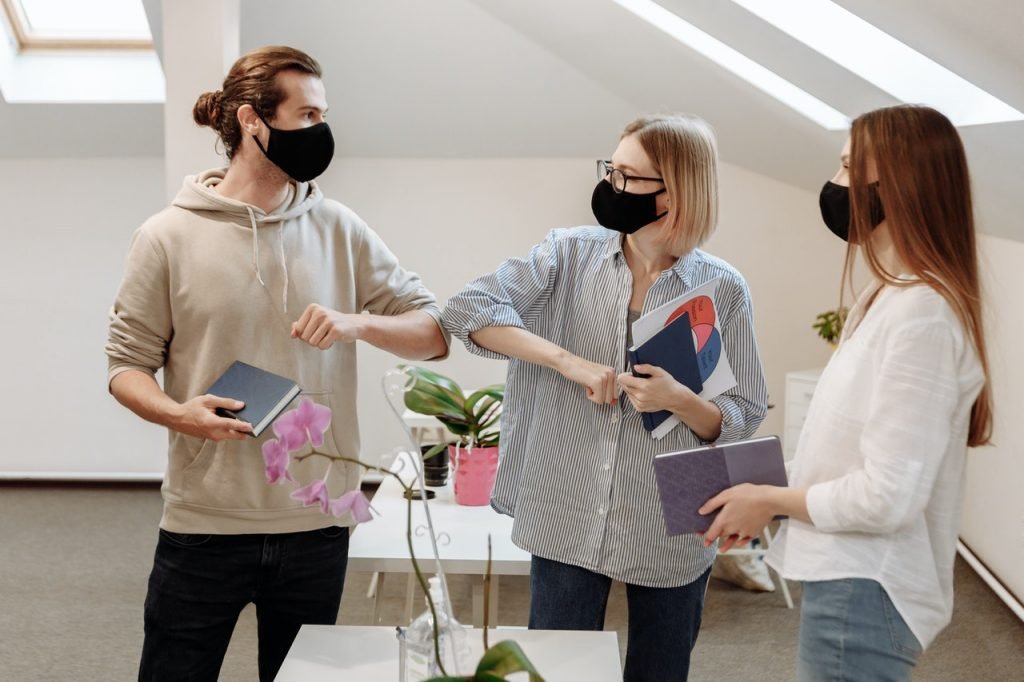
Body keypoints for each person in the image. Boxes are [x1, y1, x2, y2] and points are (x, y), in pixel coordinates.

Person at [105, 46, 448, 682]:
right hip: (205, 521)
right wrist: (180, 414)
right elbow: (125, 366)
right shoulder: (166, 236)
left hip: (317, 521)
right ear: (252, 121)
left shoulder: (339, 226)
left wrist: (359, 322)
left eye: (323, 114)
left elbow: (433, 332)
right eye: (307, 113)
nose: (321, 131)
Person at [442, 113, 768, 681]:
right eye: (610, 170)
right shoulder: (566, 255)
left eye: (629, 177)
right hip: (564, 507)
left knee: (661, 671)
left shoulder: (722, 287)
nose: (611, 187)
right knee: (558, 672)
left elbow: (743, 413)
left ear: (676, 191)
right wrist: (565, 361)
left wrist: (681, 400)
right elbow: (468, 310)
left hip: (671, 521)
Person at [700, 104, 993, 681]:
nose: (835, 185)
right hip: (847, 577)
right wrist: (758, 484)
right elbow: (845, 453)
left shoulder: (923, 317)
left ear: (901, 184)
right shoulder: (887, 298)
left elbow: (887, 497)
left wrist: (771, 501)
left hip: (867, 585)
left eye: (847, 166)